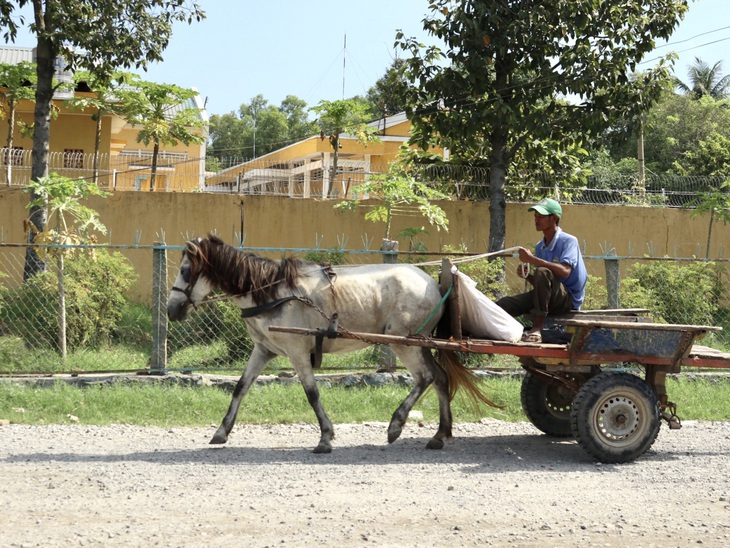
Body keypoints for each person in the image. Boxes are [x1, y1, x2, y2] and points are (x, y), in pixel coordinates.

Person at [495, 198, 587, 343]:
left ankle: (538, 327)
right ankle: (492, 330)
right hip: (549, 298)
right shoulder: (540, 246)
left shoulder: (569, 241)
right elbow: (542, 284)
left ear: (554, 218)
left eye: (541, 217)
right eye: (535, 217)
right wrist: (527, 276)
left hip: (568, 300)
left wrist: (532, 260)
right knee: (505, 304)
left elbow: (565, 271)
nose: (537, 220)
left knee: (542, 271)